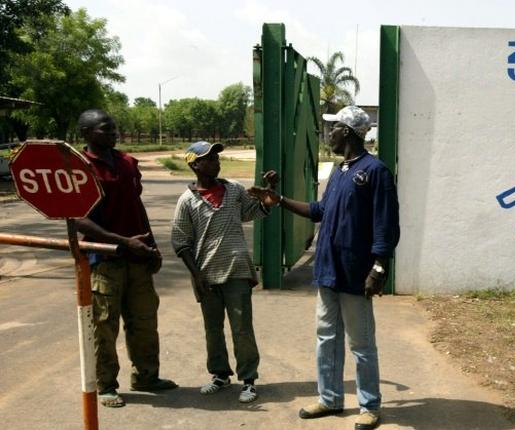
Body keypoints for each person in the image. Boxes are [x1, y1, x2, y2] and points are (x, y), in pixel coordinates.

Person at [250, 105, 400, 430]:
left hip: (355, 272)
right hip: (328, 270)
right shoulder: (339, 171)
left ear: (347, 131)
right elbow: (320, 211)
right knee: (326, 336)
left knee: (361, 343)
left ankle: (369, 406)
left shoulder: (375, 172)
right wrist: (280, 201)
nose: (328, 132)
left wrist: (379, 267)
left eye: (332, 128)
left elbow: (385, 225)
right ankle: (330, 398)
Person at [75, 109, 177, 408]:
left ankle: (147, 375)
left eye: (114, 129)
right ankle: (106, 385)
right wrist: (122, 243)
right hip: (102, 260)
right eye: (106, 129)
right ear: (86, 133)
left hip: (137, 257)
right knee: (104, 325)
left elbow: (137, 205)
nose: (113, 133)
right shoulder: (78, 168)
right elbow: (78, 220)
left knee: (144, 321)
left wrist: (151, 245)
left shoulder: (127, 164)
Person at [171, 141, 275, 403]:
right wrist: (197, 275)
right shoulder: (187, 201)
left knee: (242, 328)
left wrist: (270, 195)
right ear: (194, 165)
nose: (216, 162)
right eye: (209, 158)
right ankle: (219, 375)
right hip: (205, 275)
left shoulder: (234, 191)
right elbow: (181, 242)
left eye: (217, 157)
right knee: (213, 329)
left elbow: (254, 211)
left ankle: (249, 380)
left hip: (237, 269)